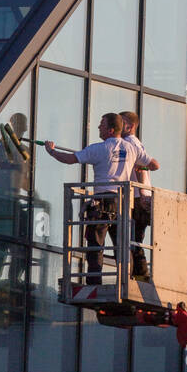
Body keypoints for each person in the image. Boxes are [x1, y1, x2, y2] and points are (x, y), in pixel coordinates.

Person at [44, 114, 158, 285]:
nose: (99, 127)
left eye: (101, 125)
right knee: (123, 246)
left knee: (96, 244)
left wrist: (51, 151)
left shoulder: (98, 149)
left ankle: (94, 281)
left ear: (111, 130)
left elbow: (69, 159)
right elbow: (154, 165)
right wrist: (134, 164)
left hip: (102, 201)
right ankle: (128, 281)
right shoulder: (132, 148)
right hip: (122, 204)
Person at [119, 111, 152, 278]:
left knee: (132, 239)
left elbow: (142, 166)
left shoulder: (130, 142)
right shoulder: (131, 142)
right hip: (138, 195)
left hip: (137, 198)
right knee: (134, 240)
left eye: (121, 122)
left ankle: (139, 275)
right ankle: (140, 276)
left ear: (130, 126)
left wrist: (142, 193)